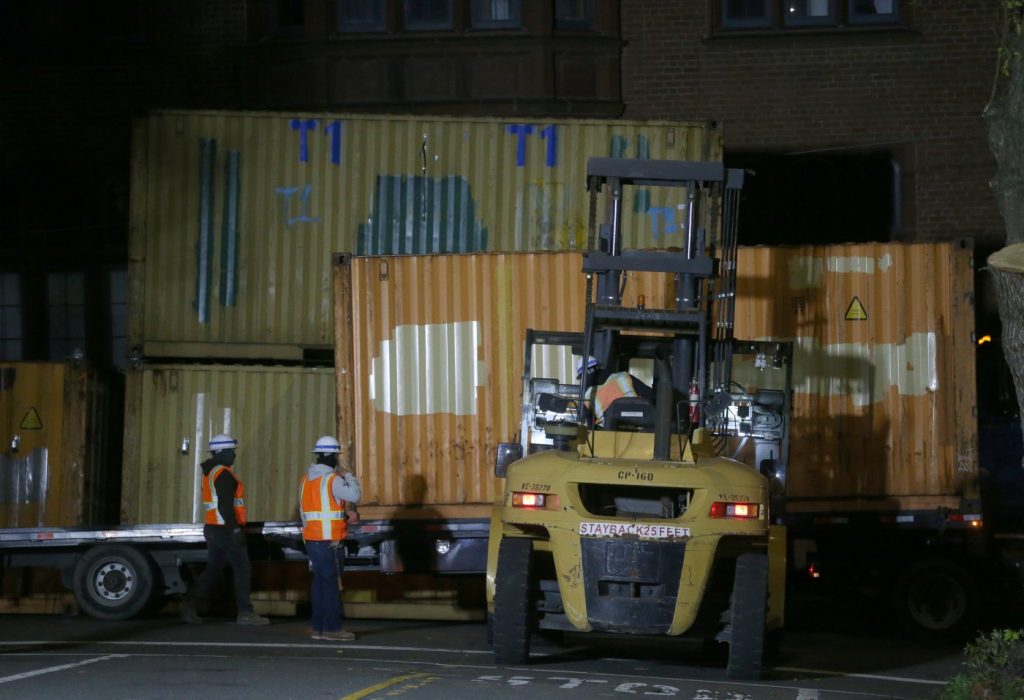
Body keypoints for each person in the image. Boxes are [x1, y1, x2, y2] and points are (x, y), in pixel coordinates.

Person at [182, 434, 269, 625]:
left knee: (213, 569)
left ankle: (189, 606)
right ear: (222, 452)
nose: (234, 456)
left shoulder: (211, 471)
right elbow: (225, 507)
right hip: (225, 528)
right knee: (242, 568)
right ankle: (245, 613)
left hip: (213, 527)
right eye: (231, 452)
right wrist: (235, 530)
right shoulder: (223, 474)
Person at [299, 435, 362, 642]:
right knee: (332, 585)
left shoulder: (306, 480)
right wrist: (349, 476)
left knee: (319, 584)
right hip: (330, 542)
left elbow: (308, 511)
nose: (337, 459)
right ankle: (333, 628)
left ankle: (318, 627)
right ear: (331, 456)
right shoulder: (332, 479)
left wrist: (342, 515)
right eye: (336, 455)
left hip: (312, 539)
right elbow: (354, 495)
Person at [577, 355, 655, 426]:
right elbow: (651, 395)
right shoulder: (625, 377)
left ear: (583, 377)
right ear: (599, 367)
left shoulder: (587, 398)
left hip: (609, 434)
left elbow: (589, 426)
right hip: (643, 426)